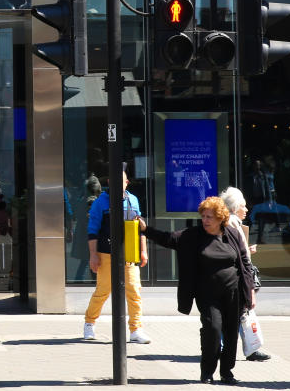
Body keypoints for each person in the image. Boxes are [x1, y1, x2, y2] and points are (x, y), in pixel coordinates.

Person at [143, 196, 256, 385]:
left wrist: (250, 290)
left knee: (230, 334)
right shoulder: (193, 236)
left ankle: (227, 372)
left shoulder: (232, 234)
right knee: (212, 330)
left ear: (221, 218)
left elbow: (244, 261)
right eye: (203, 216)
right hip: (207, 294)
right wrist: (146, 230)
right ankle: (207, 372)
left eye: (209, 217)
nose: (205, 220)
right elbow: (168, 239)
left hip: (233, 293)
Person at [82, 165, 151, 344]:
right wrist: (93, 255)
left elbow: (140, 229)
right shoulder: (100, 202)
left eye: (122, 181)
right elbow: (93, 230)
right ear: (109, 182)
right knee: (103, 291)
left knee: (134, 291)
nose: (119, 184)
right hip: (106, 253)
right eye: (115, 181)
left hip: (129, 254)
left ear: (127, 183)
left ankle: (136, 329)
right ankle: (89, 323)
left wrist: (143, 251)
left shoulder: (133, 200)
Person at [219, 186, 270, 362]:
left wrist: (247, 251)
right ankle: (246, 349)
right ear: (234, 207)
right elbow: (237, 253)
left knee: (238, 314)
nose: (247, 210)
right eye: (244, 206)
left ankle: (244, 348)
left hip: (234, 275)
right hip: (237, 277)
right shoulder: (233, 222)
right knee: (240, 314)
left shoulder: (230, 222)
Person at [71, 176, 102, 281]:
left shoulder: (84, 199)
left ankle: (80, 280)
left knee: (86, 261)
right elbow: (92, 220)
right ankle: (88, 281)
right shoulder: (92, 201)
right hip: (89, 236)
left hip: (84, 234)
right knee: (91, 260)